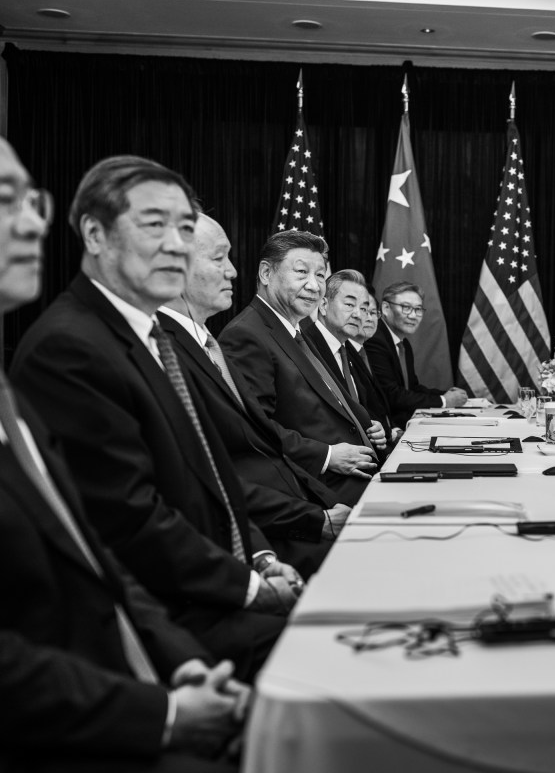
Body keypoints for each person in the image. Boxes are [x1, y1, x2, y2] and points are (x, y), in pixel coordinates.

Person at [0, 139, 252, 772]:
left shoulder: (142, 339)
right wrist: (164, 712)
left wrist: (181, 663)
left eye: (33, 202)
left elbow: (94, 554)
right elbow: (126, 524)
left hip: (142, 649)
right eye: (7, 202)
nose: (33, 221)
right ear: (94, 233)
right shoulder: (68, 346)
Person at [158, 215, 349, 577]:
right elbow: (212, 475)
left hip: (299, 505)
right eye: (218, 259)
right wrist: (315, 520)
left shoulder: (206, 344)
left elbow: (261, 443)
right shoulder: (178, 348)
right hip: (278, 531)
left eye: (321, 275)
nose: (232, 271)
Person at [219, 230, 383, 504]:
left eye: (320, 275)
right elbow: (255, 429)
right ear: (266, 274)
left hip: (361, 470)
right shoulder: (246, 334)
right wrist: (328, 455)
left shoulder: (295, 330)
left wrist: (364, 423)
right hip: (320, 488)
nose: (314, 286)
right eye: (301, 272)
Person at [304, 269, 396, 445]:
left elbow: (363, 406)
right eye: (349, 305)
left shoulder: (348, 350)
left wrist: (376, 428)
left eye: (364, 308)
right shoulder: (304, 346)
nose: (358, 314)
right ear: (323, 305)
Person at [365, 281, 468, 427]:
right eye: (406, 308)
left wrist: (447, 394)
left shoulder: (403, 343)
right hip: (387, 427)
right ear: (386, 308)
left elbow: (412, 388)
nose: (413, 315)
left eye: (418, 309)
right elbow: (392, 395)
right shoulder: (374, 339)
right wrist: (443, 401)